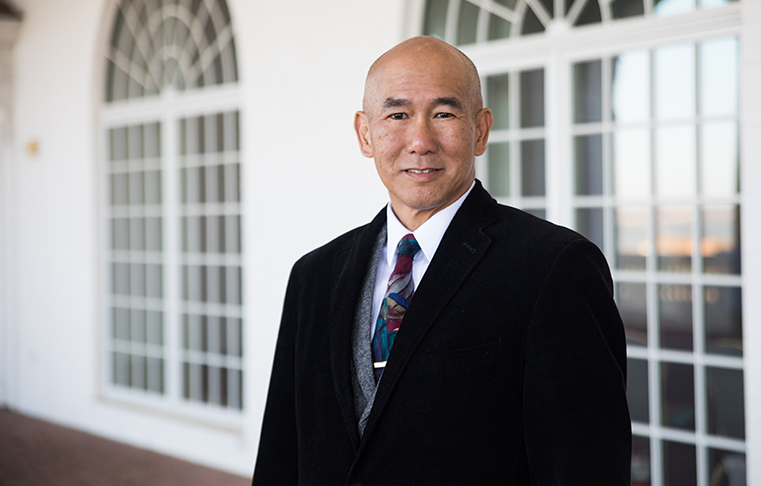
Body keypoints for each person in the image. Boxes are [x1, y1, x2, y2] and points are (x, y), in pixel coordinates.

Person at [252, 36, 631, 485]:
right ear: (365, 133)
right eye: (397, 115)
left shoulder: (554, 268)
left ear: (481, 130)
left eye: (444, 114)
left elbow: (583, 468)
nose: (420, 141)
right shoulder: (313, 277)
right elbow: (281, 456)